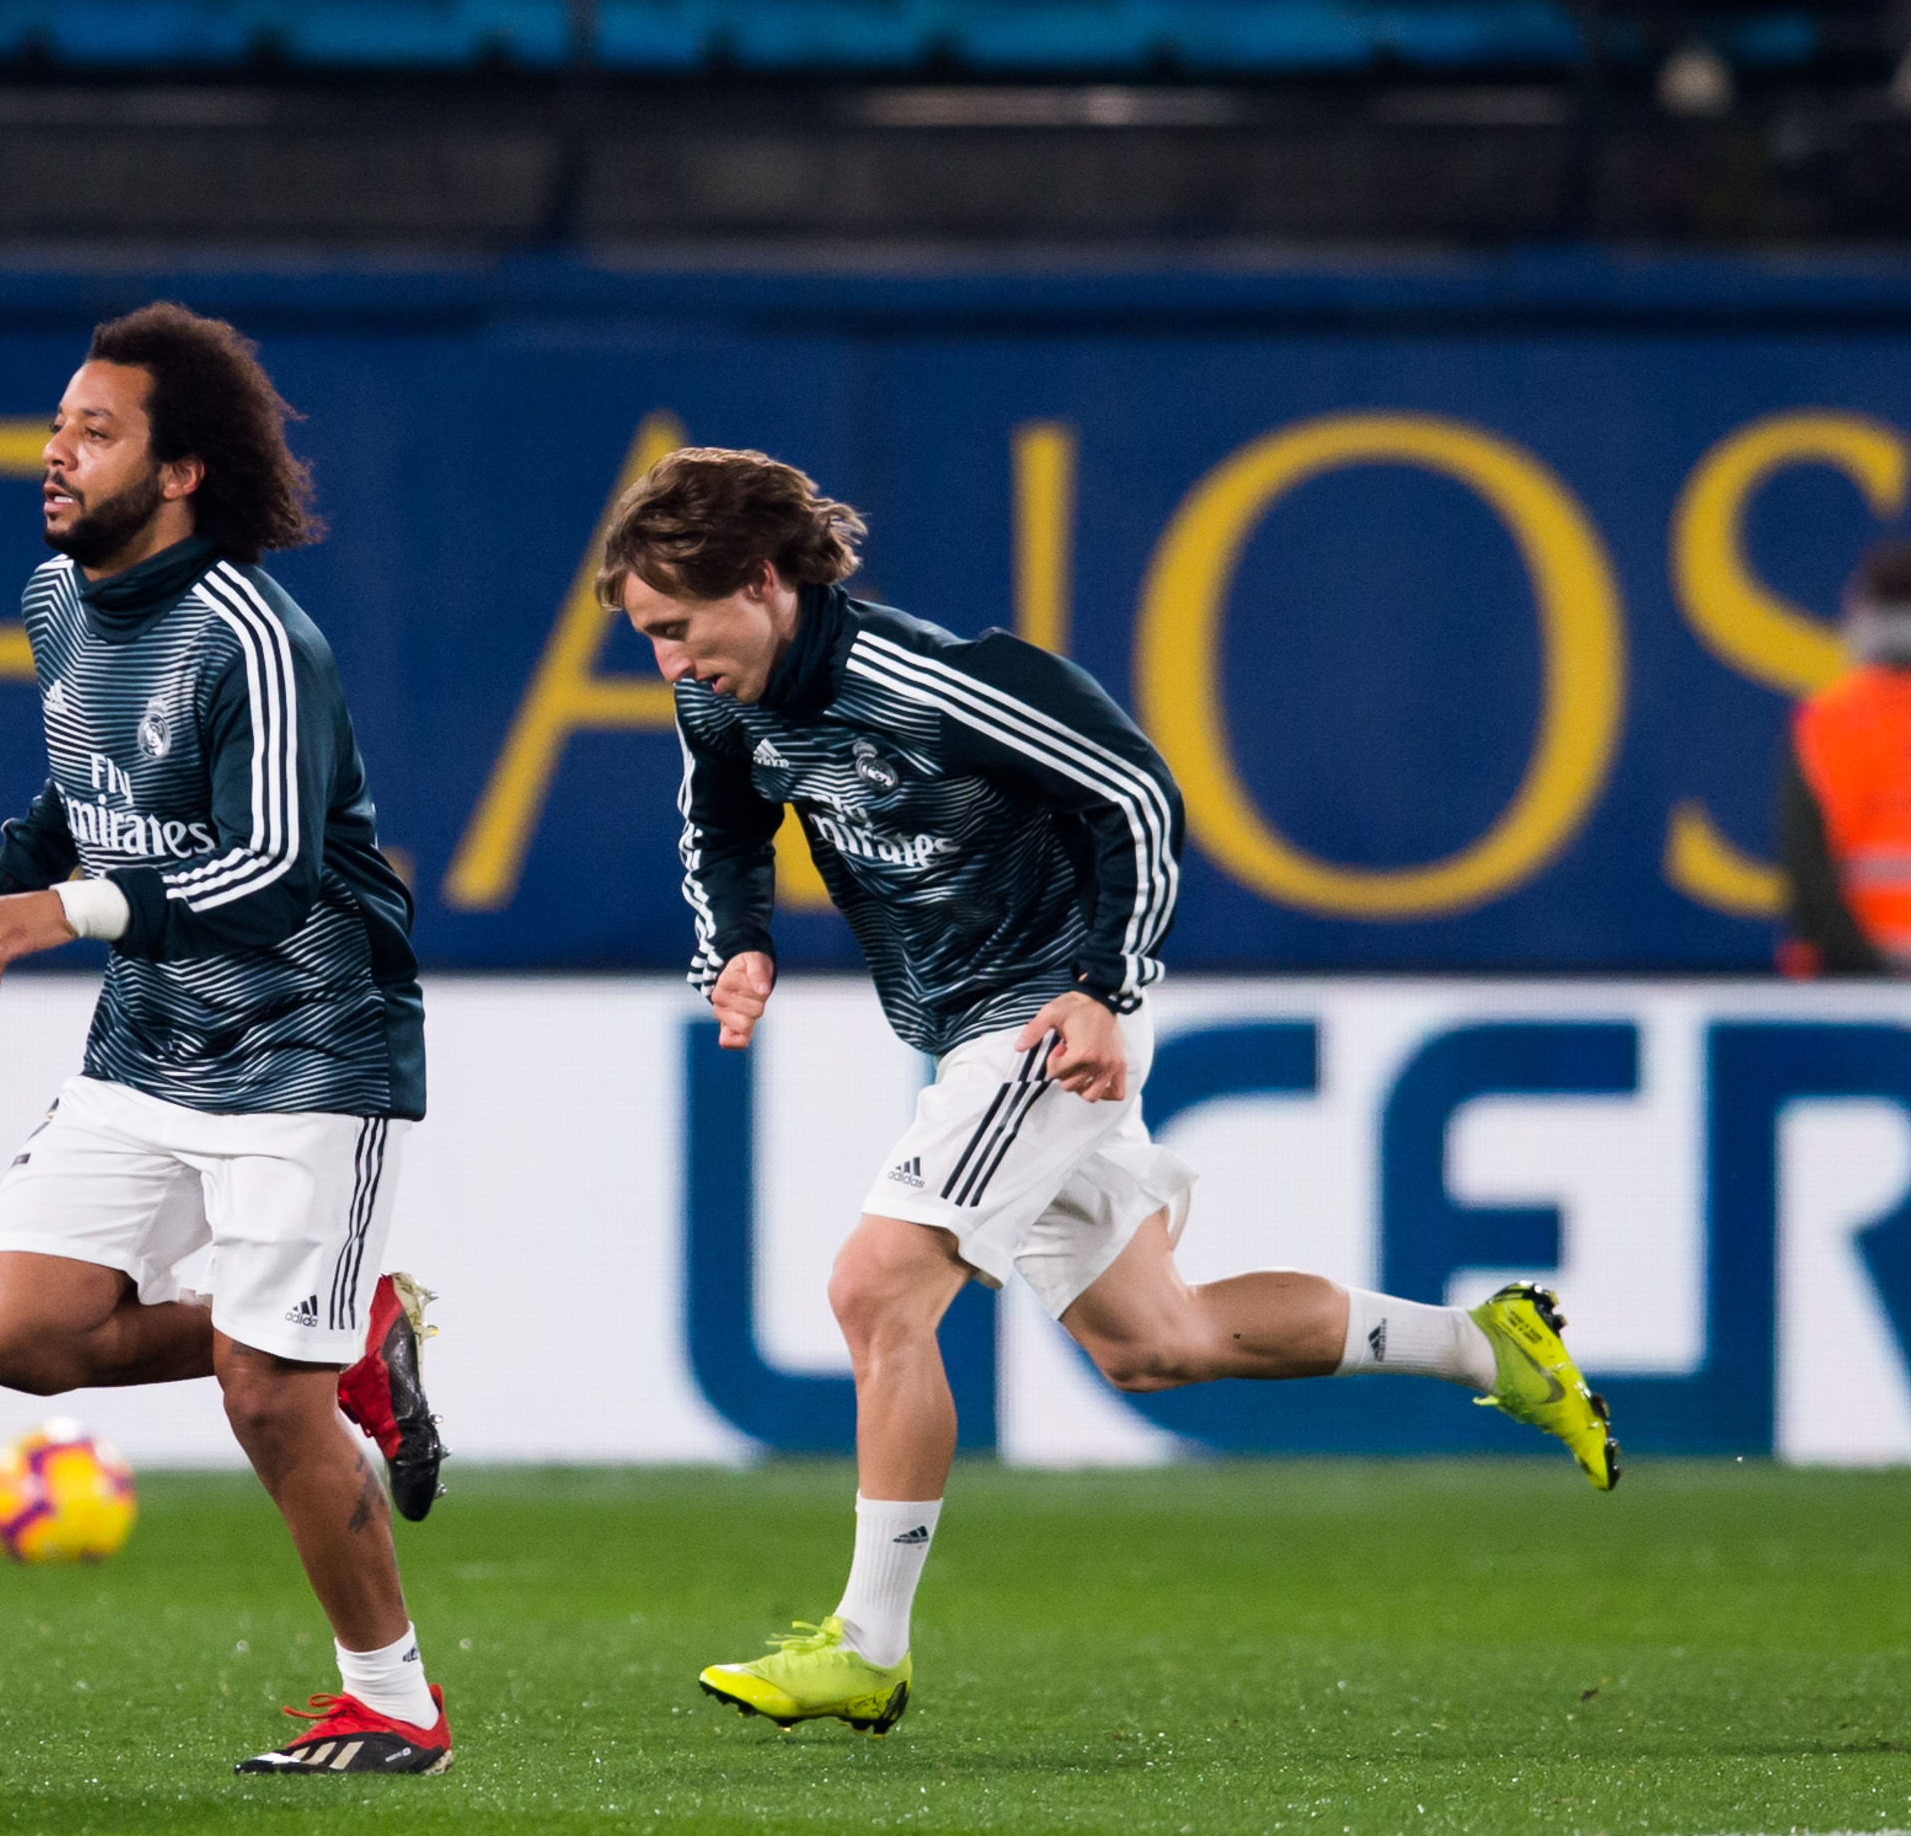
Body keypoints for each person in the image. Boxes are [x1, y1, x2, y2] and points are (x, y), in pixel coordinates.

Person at [596, 447, 1618, 1739]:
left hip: (1039, 1026)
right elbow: (725, 823)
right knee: (1158, 1342)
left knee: (874, 1287)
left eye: (679, 629)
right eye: (651, 640)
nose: (670, 665)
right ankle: (1487, 1346)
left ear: (759, 581)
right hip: (965, 1032)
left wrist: (1104, 989)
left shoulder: (932, 680)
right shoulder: (722, 704)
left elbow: (1135, 793)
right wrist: (735, 942)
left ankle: (867, 1645)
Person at [0, 303, 452, 1778]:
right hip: (152, 1044)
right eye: (57, 426)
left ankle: (395, 1705)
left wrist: (57, 915)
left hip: (312, 1049)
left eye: (97, 432)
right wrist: (8, 876)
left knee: (266, 1397)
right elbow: (85, 790)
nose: (56, 454)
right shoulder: (56, 605)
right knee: (15, 1331)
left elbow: (271, 871)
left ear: (184, 471)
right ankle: (360, 1334)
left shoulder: (259, 641)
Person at [1778, 541, 1911, 975]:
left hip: (1854, 990)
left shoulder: (1824, 724)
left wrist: (1872, 978)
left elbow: (1809, 879)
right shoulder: (1824, 724)